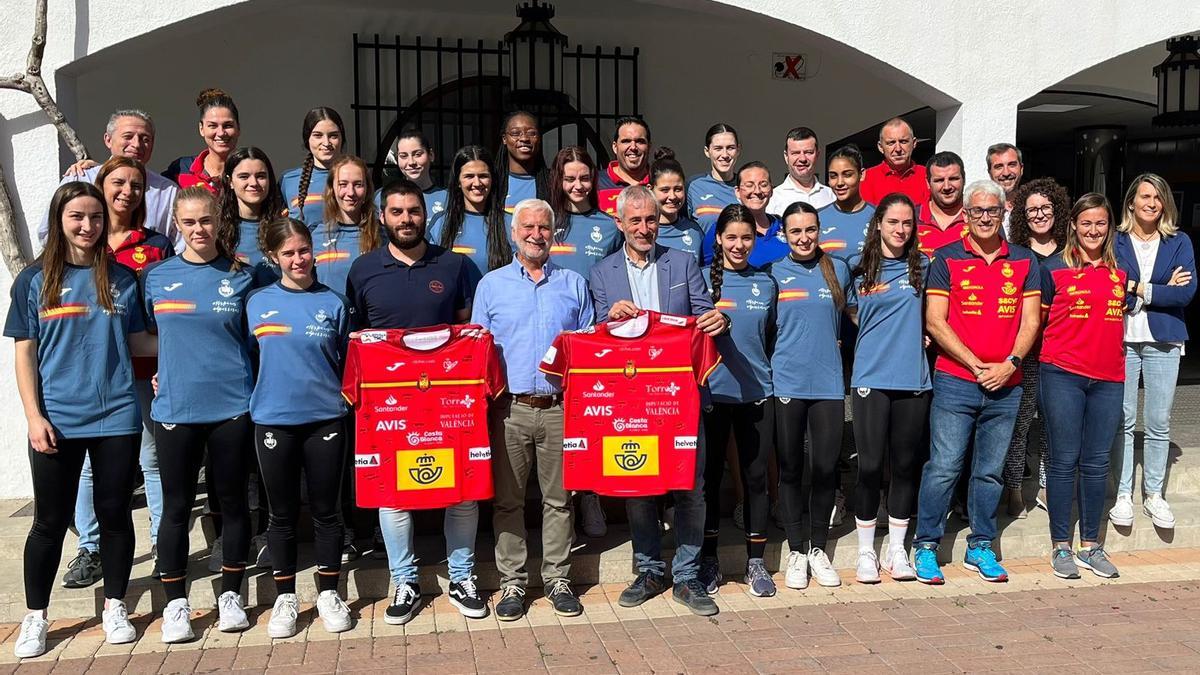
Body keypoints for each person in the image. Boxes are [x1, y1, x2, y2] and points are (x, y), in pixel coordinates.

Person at [7, 182, 156, 658]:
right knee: (49, 522)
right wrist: (34, 417)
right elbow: (24, 353)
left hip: (116, 416)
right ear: (59, 220)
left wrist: (195, 332)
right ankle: (36, 617)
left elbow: (139, 344)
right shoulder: (34, 281)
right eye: (77, 217)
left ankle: (115, 605)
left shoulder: (121, 279)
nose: (88, 226)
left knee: (114, 515)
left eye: (95, 217)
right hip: (57, 420)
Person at [344, 179, 485, 624]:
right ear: (382, 217)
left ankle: (462, 576)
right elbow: (356, 335)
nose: (407, 219)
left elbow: (467, 326)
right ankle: (404, 582)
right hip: (391, 406)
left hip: (448, 399)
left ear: (427, 215)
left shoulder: (454, 265)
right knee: (394, 495)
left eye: (414, 211)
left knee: (462, 489)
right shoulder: (363, 269)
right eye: (397, 212)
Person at [590, 184, 728, 616]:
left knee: (691, 487)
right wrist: (607, 320)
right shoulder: (602, 272)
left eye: (651, 219)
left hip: (682, 397)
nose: (645, 228)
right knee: (639, 487)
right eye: (635, 220)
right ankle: (649, 569)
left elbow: (706, 318)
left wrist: (718, 319)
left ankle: (686, 577)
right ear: (620, 224)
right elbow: (594, 332)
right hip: (629, 403)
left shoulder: (683, 263)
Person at [142, 187, 257, 642]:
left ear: (219, 222)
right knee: (175, 508)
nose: (198, 230)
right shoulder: (155, 276)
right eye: (188, 223)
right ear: (177, 225)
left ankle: (231, 595)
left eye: (205, 221)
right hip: (175, 408)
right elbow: (146, 338)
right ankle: (176, 605)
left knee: (231, 504)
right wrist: (165, 370)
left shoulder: (244, 276)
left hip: (232, 406)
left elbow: (257, 339)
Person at [913, 179, 1041, 585]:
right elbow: (935, 319)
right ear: (965, 215)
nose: (984, 217)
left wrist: (1010, 363)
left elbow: (1031, 320)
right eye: (976, 211)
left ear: (1003, 212)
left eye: (991, 210)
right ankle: (926, 545)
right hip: (955, 380)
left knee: (989, 471)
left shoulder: (1024, 260)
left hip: (1007, 383)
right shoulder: (946, 259)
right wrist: (975, 364)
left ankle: (980, 545)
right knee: (944, 466)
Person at [473, 198, 593, 621]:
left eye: (544, 227)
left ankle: (558, 578)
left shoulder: (575, 284)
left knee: (559, 500)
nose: (536, 235)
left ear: (554, 233)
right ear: (513, 232)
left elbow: (588, 349)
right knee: (507, 501)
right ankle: (512, 583)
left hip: (561, 407)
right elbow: (478, 353)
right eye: (528, 227)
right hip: (509, 410)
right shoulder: (491, 286)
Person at [62, 157, 173, 591]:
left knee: (152, 461)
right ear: (99, 185)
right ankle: (89, 549)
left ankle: (165, 548)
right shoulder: (79, 244)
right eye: (118, 182)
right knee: (90, 468)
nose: (128, 191)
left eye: (137, 184)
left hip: (146, 370)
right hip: (93, 374)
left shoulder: (158, 244)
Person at [247, 218, 353, 638]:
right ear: (274, 258)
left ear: (314, 251)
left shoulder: (334, 303)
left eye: (303, 250)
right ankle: (285, 597)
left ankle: (328, 592)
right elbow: (245, 356)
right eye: (288, 253)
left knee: (328, 512)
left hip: (326, 419)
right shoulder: (256, 301)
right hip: (273, 420)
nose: (298, 259)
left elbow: (348, 364)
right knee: (282, 513)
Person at [1039, 193, 1127, 579]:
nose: (1093, 230)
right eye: (1086, 223)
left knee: (1096, 463)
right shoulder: (1053, 268)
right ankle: (1061, 546)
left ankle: (1091, 546)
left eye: (1101, 223)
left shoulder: (1120, 270)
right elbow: (1035, 320)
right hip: (1062, 374)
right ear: (1073, 224)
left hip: (1109, 377)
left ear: (1109, 228)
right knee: (1063, 460)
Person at [845, 193, 930, 583]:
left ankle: (897, 550)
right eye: (893, 222)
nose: (900, 230)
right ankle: (866, 553)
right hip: (870, 379)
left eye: (907, 223)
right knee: (871, 465)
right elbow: (853, 317)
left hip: (912, 378)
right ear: (878, 223)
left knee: (906, 465)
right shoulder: (856, 269)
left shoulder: (924, 267)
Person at [770, 202, 849, 590]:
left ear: (819, 230)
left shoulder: (837, 269)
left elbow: (855, 320)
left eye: (810, 230)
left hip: (829, 385)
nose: (804, 238)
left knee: (823, 469)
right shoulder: (773, 274)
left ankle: (819, 547)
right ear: (784, 234)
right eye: (796, 231)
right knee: (789, 469)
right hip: (786, 383)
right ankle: (796, 549)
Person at [1110, 173, 1196, 530]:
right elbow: (1113, 288)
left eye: (1158, 197)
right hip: (1122, 337)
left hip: (1165, 338)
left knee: (1159, 422)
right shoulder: (1115, 241)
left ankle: (1155, 495)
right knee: (1123, 420)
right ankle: (1122, 495)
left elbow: (1185, 294)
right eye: (1144, 196)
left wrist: (1140, 288)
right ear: (1131, 202)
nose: (1151, 203)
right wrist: (1159, 288)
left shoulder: (1180, 241)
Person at [701, 203, 779, 597]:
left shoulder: (767, 283)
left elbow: (771, 339)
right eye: (731, 237)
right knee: (711, 479)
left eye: (746, 237)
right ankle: (710, 559)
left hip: (756, 394)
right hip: (712, 394)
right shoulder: (700, 281)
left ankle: (755, 562)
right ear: (718, 239)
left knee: (755, 479)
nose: (739, 244)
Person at [1001, 178, 1070, 516]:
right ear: (1022, 217)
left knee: (1054, 421)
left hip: (1062, 350)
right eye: (1032, 211)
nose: (1040, 215)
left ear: (1056, 209)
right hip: (1025, 350)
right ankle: (1013, 486)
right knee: (1021, 420)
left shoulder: (1071, 253)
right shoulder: (1015, 253)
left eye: (1046, 208)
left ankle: (1044, 485)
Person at [41, 109, 181, 249]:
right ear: (108, 140)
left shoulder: (167, 190)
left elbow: (180, 244)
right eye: (128, 136)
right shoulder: (81, 177)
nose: (137, 144)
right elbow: (48, 232)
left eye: (145, 139)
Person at [427, 145, 510, 282]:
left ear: (492, 179)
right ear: (458, 181)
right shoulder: (441, 222)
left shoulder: (510, 223)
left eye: (483, 176)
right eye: (469, 176)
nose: (477, 183)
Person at [545, 146, 621, 279]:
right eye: (570, 179)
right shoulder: (545, 221)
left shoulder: (611, 226)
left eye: (584, 178)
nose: (578, 186)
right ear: (558, 180)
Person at [315, 154, 382, 295]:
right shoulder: (315, 236)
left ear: (367, 189)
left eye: (358, 184)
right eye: (343, 184)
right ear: (331, 189)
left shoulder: (383, 235)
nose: (350, 192)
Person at [701, 162, 788, 266]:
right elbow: (707, 269)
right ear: (737, 191)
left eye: (763, 185)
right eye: (749, 185)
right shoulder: (721, 228)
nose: (757, 191)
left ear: (771, 190)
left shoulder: (785, 227)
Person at [217, 146, 286, 272]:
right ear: (230, 181)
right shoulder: (216, 229)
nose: (253, 183)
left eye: (261, 176)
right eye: (244, 176)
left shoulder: (284, 227)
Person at [162, 88, 241, 193]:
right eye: (212, 126)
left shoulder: (251, 172)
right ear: (201, 129)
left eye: (228, 125)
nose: (221, 133)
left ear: (238, 128)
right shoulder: (181, 169)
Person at [281, 107, 345, 226]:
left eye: (333, 136)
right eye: (318, 135)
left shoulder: (356, 176)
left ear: (342, 139)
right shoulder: (288, 180)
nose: (326, 143)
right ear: (307, 139)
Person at [816, 144, 875, 265]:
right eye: (833, 176)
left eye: (847, 175)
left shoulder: (878, 216)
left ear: (861, 174)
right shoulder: (817, 217)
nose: (839, 182)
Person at [376, 128, 447, 219]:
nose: (411, 162)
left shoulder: (448, 198)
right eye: (403, 156)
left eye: (417, 154)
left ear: (431, 155)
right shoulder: (382, 196)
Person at [651, 149, 706, 263]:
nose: (672, 196)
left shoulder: (694, 231)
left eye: (678, 189)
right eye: (665, 190)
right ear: (650, 189)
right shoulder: (644, 231)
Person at [860, 117, 930, 207]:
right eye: (891, 143)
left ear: (914, 143)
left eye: (903, 141)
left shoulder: (927, 175)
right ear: (881, 147)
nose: (898, 149)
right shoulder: (867, 178)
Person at [766, 126, 835, 214]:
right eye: (795, 153)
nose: (802, 159)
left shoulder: (831, 195)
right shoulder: (772, 200)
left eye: (808, 152)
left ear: (817, 155)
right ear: (786, 156)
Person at [686, 123, 741, 232]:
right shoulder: (694, 186)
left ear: (738, 150)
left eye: (730, 148)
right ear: (707, 151)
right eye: (718, 148)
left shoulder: (746, 186)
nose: (725, 155)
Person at [916, 151, 967, 258]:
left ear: (964, 179)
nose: (947, 186)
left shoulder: (980, 217)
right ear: (927, 182)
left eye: (953, 179)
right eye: (939, 180)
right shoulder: (911, 218)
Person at [495, 111, 548, 214]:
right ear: (504, 139)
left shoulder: (552, 182)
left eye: (532, 133)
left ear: (539, 138)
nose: (524, 138)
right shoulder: (493, 182)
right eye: (515, 133)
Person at [597, 117, 652, 216]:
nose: (633, 147)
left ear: (649, 146)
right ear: (615, 147)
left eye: (640, 141)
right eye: (626, 141)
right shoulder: (596, 183)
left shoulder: (659, 182)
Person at [986, 143, 1024, 237]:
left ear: (1021, 169)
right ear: (990, 173)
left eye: (1012, 165)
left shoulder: (1032, 207)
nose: (1006, 173)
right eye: (999, 166)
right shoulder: (981, 210)